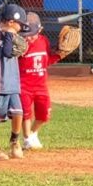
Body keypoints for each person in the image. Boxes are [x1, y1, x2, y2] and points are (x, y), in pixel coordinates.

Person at [0, 4, 30, 160]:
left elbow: (18, 49)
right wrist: (9, 35)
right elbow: (7, 51)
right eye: (20, 25)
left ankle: (14, 142)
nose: (21, 28)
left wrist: (16, 37)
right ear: (11, 22)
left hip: (12, 83)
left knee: (18, 113)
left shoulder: (13, 34)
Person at [18, 12, 67, 150]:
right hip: (24, 85)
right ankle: (27, 138)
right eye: (25, 35)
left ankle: (33, 133)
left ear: (40, 30)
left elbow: (45, 61)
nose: (29, 38)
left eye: (32, 34)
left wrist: (59, 55)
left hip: (40, 86)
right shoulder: (21, 45)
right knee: (26, 114)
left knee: (44, 115)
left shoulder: (43, 41)